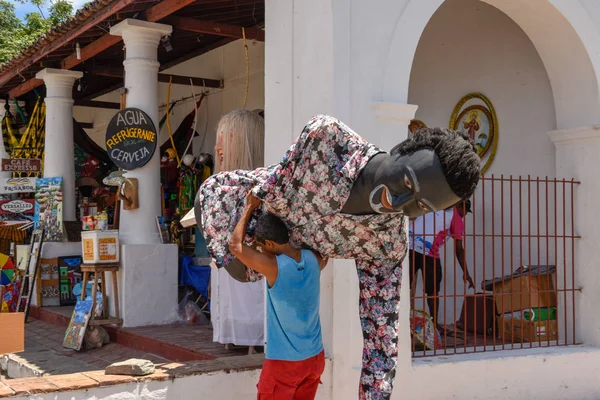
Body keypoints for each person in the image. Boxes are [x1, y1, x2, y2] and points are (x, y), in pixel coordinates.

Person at [194, 115, 481, 400]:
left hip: (257, 266)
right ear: (403, 149)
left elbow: (381, 339)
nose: (399, 202)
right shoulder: (329, 141)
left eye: (420, 206)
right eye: (407, 182)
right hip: (221, 205)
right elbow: (271, 190)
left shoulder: (387, 243)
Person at [229, 192, 327, 400]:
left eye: (261, 246)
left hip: (284, 364)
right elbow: (325, 253)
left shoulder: (275, 267)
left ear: (270, 244)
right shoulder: (313, 259)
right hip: (315, 358)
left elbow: (235, 247)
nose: (260, 251)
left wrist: (249, 207)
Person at [209, 109, 266, 354]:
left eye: (227, 137)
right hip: (228, 257)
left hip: (247, 256)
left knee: (250, 292)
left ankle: (252, 338)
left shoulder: (258, 187)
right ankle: (233, 335)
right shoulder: (220, 185)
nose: (217, 145)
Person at [409, 199, 474, 328]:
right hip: (428, 252)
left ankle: (401, 320)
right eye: (465, 212)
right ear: (460, 207)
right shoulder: (456, 217)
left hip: (408, 245)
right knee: (433, 290)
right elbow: (459, 249)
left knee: (404, 285)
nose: (464, 215)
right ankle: (434, 325)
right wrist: (465, 272)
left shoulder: (435, 205)